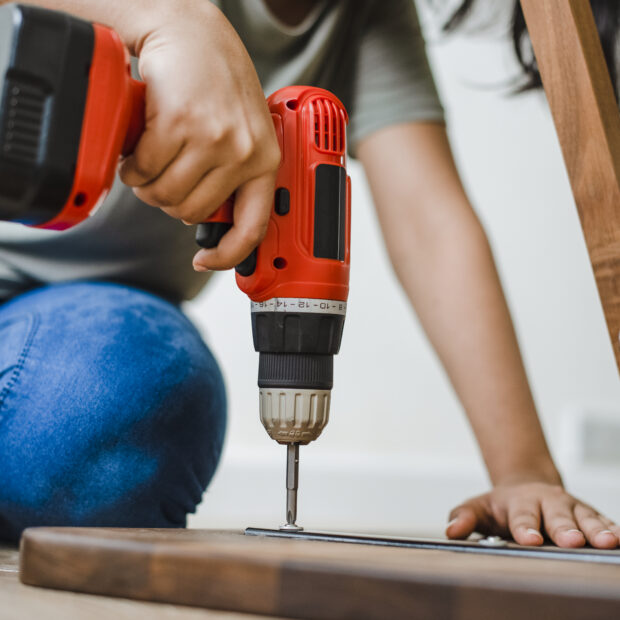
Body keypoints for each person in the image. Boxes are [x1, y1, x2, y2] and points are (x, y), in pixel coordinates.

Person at [0, 0, 617, 548]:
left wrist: (523, 470)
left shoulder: (363, 17)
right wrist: (165, 16)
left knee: (138, 401)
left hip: (73, 328)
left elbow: (432, 227)